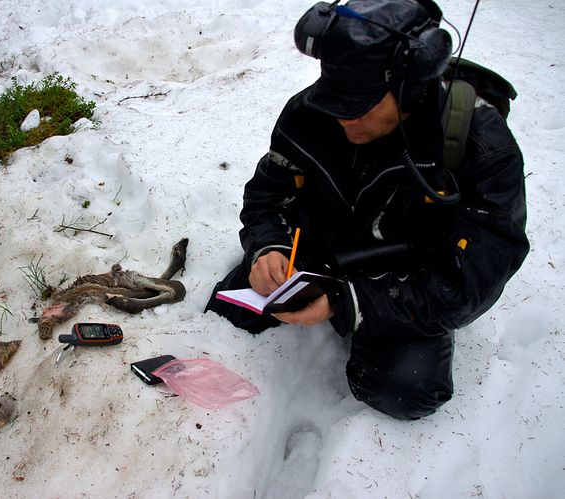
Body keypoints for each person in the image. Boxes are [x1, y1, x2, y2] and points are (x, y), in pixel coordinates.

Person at [205, 0, 529, 420]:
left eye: (358, 104)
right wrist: (269, 247)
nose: (343, 118)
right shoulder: (309, 114)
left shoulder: (481, 146)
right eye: (335, 98)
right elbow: (268, 195)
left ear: (410, 85)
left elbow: (469, 285)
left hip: (405, 278)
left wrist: (351, 302)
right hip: (319, 251)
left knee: (405, 393)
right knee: (225, 317)